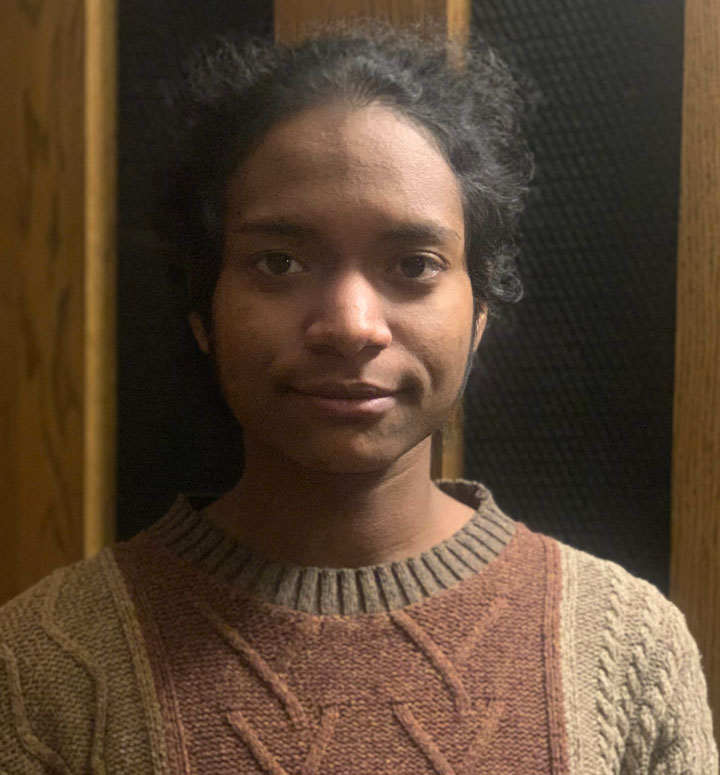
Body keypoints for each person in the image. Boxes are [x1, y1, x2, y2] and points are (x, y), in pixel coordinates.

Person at [0, 21, 716, 775]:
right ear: (201, 310)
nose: (350, 325)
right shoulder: (44, 667)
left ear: (479, 313)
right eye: (279, 262)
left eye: (413, 264)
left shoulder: (626, 648)